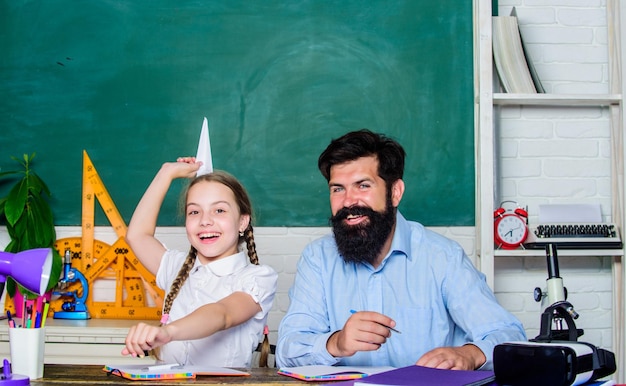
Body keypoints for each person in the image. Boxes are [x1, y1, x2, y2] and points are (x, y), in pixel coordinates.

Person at [276, 129, 526, 370]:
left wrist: (470, 354)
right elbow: (287, 351)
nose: (348, 201)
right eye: (337, 189)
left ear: (395, 192)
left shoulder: (443, 257)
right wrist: (335, 343)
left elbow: (508, 335)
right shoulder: (318, 258)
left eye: (363, 186)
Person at [122, 157, 278, 368]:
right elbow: (137, 235)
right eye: (194, 211)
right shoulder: (175, 266)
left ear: (242, 221)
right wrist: (166, 173)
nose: (205, 220)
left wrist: (167, 332)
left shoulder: (257, 278)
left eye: (219, 210)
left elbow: (222, 314)